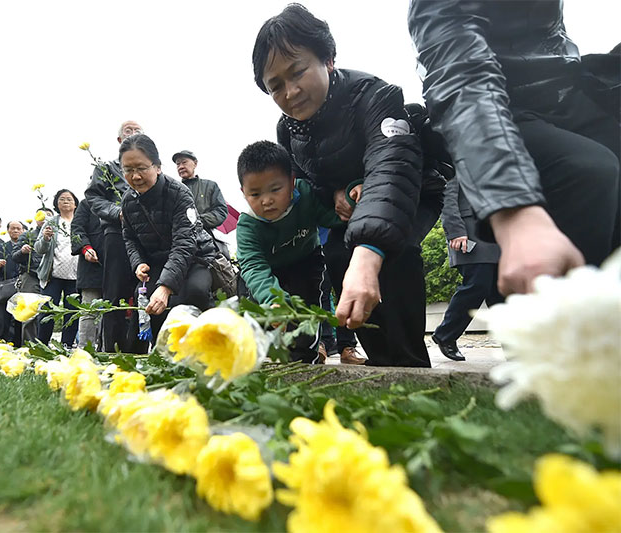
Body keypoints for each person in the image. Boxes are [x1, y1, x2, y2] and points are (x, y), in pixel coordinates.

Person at [252, 4, 430, 367]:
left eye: (297, 72)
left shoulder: (374, 96)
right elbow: (305, 184)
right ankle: (382, 362)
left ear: (328, 59)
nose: (291, 92)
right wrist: (334, 193)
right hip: (345, 212)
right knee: (336, 256)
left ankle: (411, 364)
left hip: (408, 193)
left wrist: (368, 251)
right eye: (276, 86)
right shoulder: (287, 130)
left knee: (394, 255)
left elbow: (391, 164)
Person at [409, 1, 620, 296]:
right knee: (589, 168)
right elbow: (459, 80)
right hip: (490, 111)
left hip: (566, 92)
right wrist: (514, 212)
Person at [236, 140, 362, 365]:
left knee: (306, 314)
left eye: (276, 189)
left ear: (292, 182)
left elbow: (333, 215)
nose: (267, 200)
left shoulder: (306, 195)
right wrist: (273, 300)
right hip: (267, 272)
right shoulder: (247, 226)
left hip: (306, 262)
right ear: (244, 193)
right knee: (261, 317)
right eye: (255, 194)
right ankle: (264, 359)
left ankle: (306, 360)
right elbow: (253, 267)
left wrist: (352, 200)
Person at [119, 134, 215, 341]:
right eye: (128, 170)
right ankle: (157, 352)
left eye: (141, 168)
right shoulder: (128, 201)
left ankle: (205, 344)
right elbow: (129, 237)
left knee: (194, 292)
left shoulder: (179, 193)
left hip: (195, 258)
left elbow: (184, 244)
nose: (135, 176)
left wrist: (165, 288)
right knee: (144, 299)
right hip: (158, 261)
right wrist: (138, 262)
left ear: (158, 167)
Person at [84, 120, 147, 352]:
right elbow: (93, 196)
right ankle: (113, 350)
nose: (133, 134)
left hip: (146, 237)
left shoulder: (151, 168)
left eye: (138, 131)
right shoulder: (106, 168)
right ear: (120, 140)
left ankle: (140, 350)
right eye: (128, 131)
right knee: (115, 293)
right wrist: (117, 212)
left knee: (144, 291)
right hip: (116, 234)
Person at [432, 177, 503, 361]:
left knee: (500, 292)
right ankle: (446, 335)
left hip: (496, 233)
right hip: (469, 232)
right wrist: (455, 231)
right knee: (477, 284)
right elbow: (447, 197)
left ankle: (515, 348)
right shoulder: (457, 163)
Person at [35, 190, 80, 347]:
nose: (66, 201)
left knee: (72, 312)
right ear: (56, 204)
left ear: (75, 204)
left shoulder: (80, 221)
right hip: (52, 276)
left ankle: (67, 345)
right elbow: (39, 249)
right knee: (47, 311)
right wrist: (46, 238)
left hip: (75, 275)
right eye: (62, 199)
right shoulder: (51, 223)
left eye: (69, 199)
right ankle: (42, 344)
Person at [172, 149, 229, 256]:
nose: (180, 167)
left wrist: (197, 221)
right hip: (181, 244)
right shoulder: (173, 190)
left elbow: (221, 211)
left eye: (184, 162)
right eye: (178, 164)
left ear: (195, 163)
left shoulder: (210, 186)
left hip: (209, 243)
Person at [12, 209, 50, 346]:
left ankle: (44, 344)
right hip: (31, 276)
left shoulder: (58, 235)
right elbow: (14, 256)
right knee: (29, 313)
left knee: (48, 312)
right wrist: (22, 251)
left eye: (48, 216)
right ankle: (29, 345)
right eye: (41, 216)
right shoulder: (28, 235)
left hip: (51, 277)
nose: (45, 218)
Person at [71, 196, 105, 349]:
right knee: (89, 311)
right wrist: (86, 248)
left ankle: (108, 350)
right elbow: (77, 228)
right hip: (92, 266)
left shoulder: (122, 199)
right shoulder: (86, 204)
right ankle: (85, 350)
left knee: (114, 312)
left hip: (117, 265)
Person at [0, 220, 24, 341]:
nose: (15, 231)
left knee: (21, 315)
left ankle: (18, 342)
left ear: (23, 231)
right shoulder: (0, 248)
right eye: (13, 228)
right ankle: (1, 341)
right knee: (3, 315)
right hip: (5, 285)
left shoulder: (27, 247)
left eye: (18, 228)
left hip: (23, 285)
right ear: (8, 230)